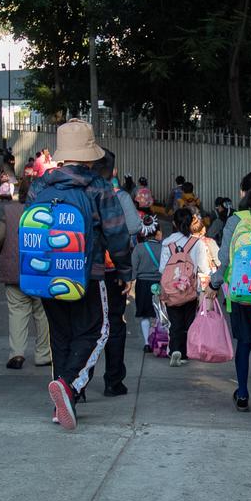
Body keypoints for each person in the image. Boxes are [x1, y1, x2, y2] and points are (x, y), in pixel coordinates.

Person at [25, 119, 132, 430]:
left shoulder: (40, 185)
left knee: (61, 335)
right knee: (97, 331)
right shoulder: (99, 187)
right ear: (89, 156)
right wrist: (124, 270)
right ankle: (69, 387)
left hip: (45, 275)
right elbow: (116, 234)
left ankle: (63, 405)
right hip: (88, 274)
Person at [207, 172, 251, 421]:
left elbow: (225, 259)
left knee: (244, 345)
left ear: (244, 192)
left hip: (240, 294)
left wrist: (214, 284)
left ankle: (243, 394)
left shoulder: (235, 220)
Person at [0, 178, 52, 369]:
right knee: (42, 314)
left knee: (17, 312)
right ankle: (43, 354)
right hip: (41, 272)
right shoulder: (48, 212)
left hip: (14, 269)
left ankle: (16, 354)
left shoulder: (10, 211)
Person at [95, 148, 141, 397]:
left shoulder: (80, 192)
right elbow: (133, 226)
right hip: (112, 269)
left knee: (87, 326)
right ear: (113, 171)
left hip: (83, 269)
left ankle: (76, 385)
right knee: (114, 322)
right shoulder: (118, 195)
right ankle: (113, 380)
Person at [159, 207, 212, 367]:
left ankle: (175, 349)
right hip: (190, 290)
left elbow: (162, 269)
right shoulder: (197, 243)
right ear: (191, 222)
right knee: (189, 322)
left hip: (171, 290)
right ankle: (185, 352)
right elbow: (203, 268)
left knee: (175, 322)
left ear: (174, 222)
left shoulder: (167, 243)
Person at [132, 216, 163, 353]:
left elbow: (133, 269)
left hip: (142, 284)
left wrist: (130, 281)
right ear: (156, 233)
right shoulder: (164, 248)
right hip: (159, 283)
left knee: (144, 315)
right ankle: (159, 340)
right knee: (159, 313)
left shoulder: (138, 248)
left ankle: (146, 343)